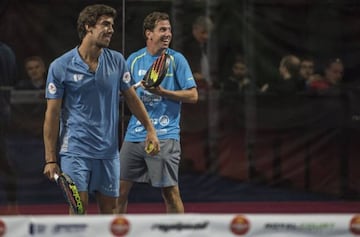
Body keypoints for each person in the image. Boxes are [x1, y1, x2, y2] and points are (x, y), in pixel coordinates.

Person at [42, 4, 159, 215]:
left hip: (108, 153)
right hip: (75, 151)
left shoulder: (117, 61)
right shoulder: (60, 66)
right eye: (105, 24)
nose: (111, 30)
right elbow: (52, 115)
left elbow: (132, 99)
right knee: (79, 210)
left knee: (110, 214)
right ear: (88, 27)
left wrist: (150, 130)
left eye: (112, 25)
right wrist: (50, 159)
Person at [116, 11, 198, 214]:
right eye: (162, 29)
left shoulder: (177, 60)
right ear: (149, 34)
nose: (168, 34)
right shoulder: (134, 59)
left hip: (165, 136)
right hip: (134, 135)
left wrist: (163, 92)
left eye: (169, 30)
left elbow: (193, 96)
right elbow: (122, 92)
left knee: (170, 192)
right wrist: (128, 92)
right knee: (118, 191)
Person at [0, 41, 19, 215]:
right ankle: (13, 206)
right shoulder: (8, 51)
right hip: (4, 111)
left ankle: (13, 206)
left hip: (2, 111)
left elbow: (10, 80)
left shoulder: (5, 52)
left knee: (4, 160)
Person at [183, 15, 214, 87]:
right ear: (195, 29)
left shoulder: (205, 46)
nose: (206, 36)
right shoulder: (187, 46)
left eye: (208, 33)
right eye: (203, 32)